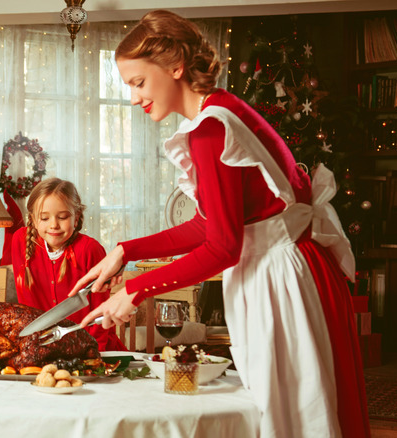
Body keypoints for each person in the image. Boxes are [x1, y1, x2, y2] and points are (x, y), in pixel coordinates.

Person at [69, 10, 369, 438]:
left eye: (138, 83)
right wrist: (126, 251)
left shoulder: (210, 131)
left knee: (293, 419)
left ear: (175, 66)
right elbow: (208, 225)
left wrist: (135, 290)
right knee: (299, 411)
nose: (134, 98)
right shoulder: (221, 109)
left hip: (279, 280)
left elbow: (223, 247)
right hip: (290, 269)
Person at [12, 177, 126, 352]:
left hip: (94, 349)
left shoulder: (90, 249)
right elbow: (26, 306)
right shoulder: (20, 241)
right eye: (44, 218)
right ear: (33, 219)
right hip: (46, 350)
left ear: (76, 217)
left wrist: (95, 355)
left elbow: (101, 313)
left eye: (63, 217)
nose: (54, 225)